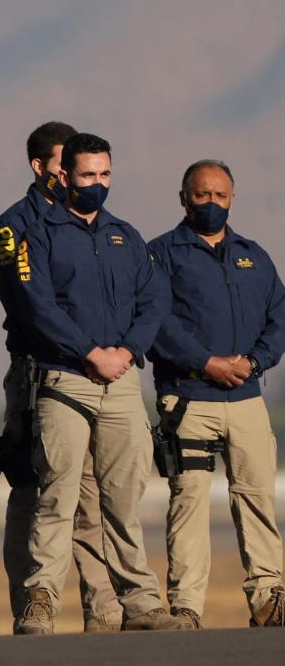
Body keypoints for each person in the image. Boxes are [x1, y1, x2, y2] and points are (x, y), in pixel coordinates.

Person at [13, 132, 183, 634]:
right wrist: (88, 353)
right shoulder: (38, 234)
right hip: (65, 379)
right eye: (88, 175)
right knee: (58, 495)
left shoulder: (125, 236)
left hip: (123, 382)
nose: (98, 184)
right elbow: (36, 304)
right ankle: (41, 602)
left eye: (105, 175)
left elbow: (153, 301)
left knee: (123, 497)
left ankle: (141, 602)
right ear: (63, 176)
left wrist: (126, 353)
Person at [0, 121, 123, 632]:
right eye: (64, 165)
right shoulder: (14, 226)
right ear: (42, 167)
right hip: (35, 372)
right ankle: (31, 605)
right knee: (34, 486)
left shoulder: (93, 225)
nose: (73, 176)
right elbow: (27, 302)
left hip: (91, 373)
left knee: (91, 490)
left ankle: (104, 608)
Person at [148, 159, 285, 629]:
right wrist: (207, 362)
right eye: (201, 195)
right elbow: (156, 322)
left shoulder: (254, 255)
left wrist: (254, 362)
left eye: (219, 196)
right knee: (188, 501)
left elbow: (278, 317)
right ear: (183, 197)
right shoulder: (160, 255)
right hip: (189, 399)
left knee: (257, 498)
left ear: (232, 199)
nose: (211, 203)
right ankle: (185, 607)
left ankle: (269, 600)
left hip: (247, 400)